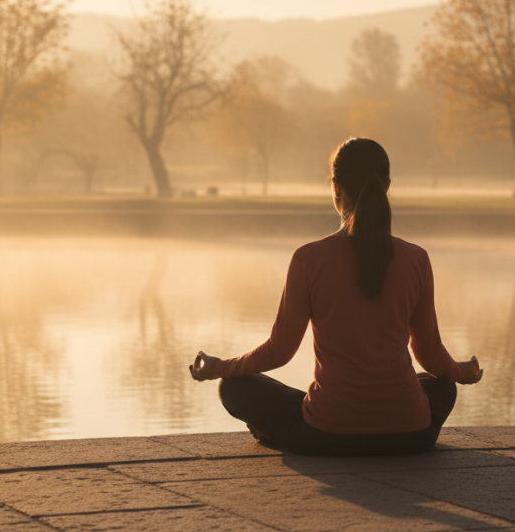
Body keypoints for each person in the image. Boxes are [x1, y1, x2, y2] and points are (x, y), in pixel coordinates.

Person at [189, 138, 483, 456]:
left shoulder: (308, 258)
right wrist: (461, 372)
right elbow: (430, 355)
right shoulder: (416, 258)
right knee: (442, 384)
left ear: (335, 186)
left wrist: (222, 368)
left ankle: (279, 434)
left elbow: (279, 351)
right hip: (412, 434)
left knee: (234, 388)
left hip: (326, 434)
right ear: (387, 186)